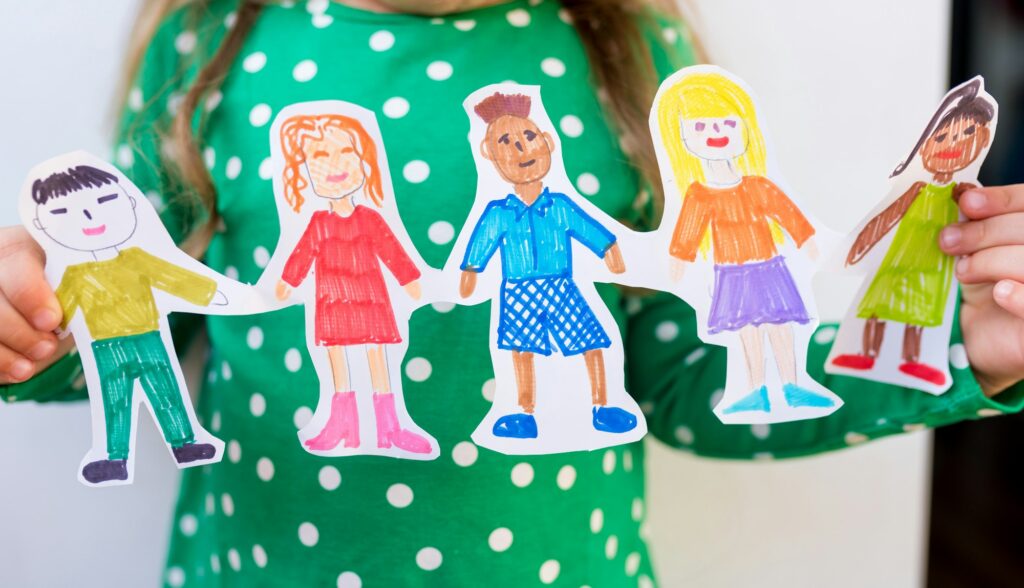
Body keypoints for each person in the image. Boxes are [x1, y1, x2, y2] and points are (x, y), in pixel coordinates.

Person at [0, 1, 1021, 585]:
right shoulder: (214, 44)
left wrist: (960, 350)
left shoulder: (618, 48)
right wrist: (27, 326)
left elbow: (694, 379)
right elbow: (135, 321)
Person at [459, 91, 637, 438]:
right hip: (519, 291)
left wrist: (610, 250)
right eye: (506, 142)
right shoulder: (499, 213)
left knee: (590, 342)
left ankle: (603, 405)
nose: (521, 150)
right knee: (522, 351)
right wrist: (470, 271)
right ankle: (524, 413)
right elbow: (481, 242)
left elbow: (588, 229)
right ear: (488, 153)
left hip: (562, 285)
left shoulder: (560, 206)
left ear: (548, 142)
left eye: (528, 137)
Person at [30, 164, 220, 485]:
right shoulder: (75, 276)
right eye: (64, 212)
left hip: (149, 338)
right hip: (104, 347)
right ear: (42, 224)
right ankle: (114, 457)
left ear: (131, 203)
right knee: (115, 401)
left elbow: (176, 278)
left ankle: (185, 442)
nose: (90, 218)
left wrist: (223, 296)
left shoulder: (138, 259)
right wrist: (32, 329)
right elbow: (58, 317)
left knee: (166, 392)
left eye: (104, 203)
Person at [658, 70, 834, 415]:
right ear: (681, 138)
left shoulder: (757, 185)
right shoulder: (698, 195)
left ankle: (793, 384)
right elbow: (687, 233)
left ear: (745, 127)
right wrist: (678, 261)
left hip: (769, 267)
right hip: (732, 274)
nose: (716, 134)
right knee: (747, 331)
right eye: (701, 127)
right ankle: (755, 389)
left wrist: (807, 241)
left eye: (726, 124)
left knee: (780, 326)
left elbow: (788, 214)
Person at [274, 110, 431, 454]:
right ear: (305, 172)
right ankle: (342, 425)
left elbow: (392, 251)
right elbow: (301, 255)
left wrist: (411, 281)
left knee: (378, 358)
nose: (336, 164)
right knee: (337, 362)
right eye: (321, 156)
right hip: (331, 303)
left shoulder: (371, 218)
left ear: (364, 161)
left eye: (346, 152)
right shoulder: (317, 222)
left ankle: (390, 428)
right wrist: (286, 282)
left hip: (370, 300)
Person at [832, 78, 996, 387]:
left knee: (919, 316)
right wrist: (860, 244)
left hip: (932, 267)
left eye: (968, 134)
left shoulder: (964, 192)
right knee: (879, 307)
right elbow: (888, 216)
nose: (953, 144)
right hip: (898, 260)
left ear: (983, 138)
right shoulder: (916, 187)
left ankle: (914, 361)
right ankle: (865, 353)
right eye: (943, 136)